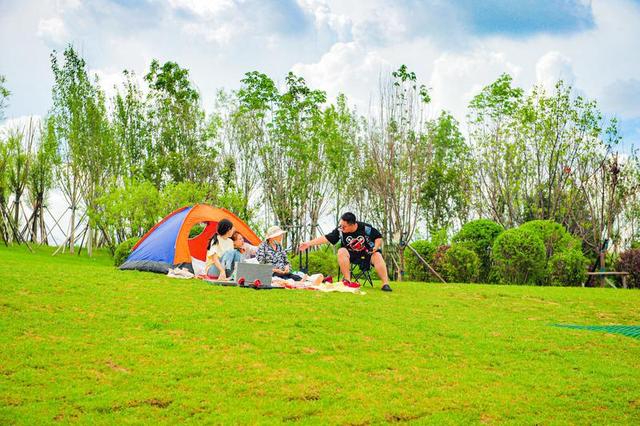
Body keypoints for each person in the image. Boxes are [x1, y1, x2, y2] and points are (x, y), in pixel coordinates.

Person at [298, 212, 393, 292]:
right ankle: (347, 281)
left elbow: (378, 237)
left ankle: (385, 284)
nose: (342, 228)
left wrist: (376, 247)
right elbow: (326, 238)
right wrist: (308, 244)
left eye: (344, 226)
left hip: (368, 253)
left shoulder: (365, 228)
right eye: (341, 225)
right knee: (341, 251)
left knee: (377, 255)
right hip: (351, 254)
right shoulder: (340, 230)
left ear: (352, 225)